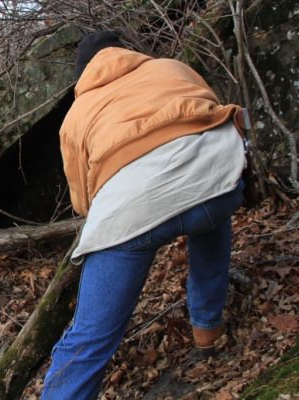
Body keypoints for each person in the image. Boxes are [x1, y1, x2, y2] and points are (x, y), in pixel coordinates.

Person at [41, 31, 247, 399]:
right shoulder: (171, 67)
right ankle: (207, 328)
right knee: (210, 208)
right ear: (127, 52)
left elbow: (84, 202)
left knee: (91, 335)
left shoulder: (75, 117)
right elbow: (207, 114)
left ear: (82, 74)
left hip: (132, 210)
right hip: (217, 180)